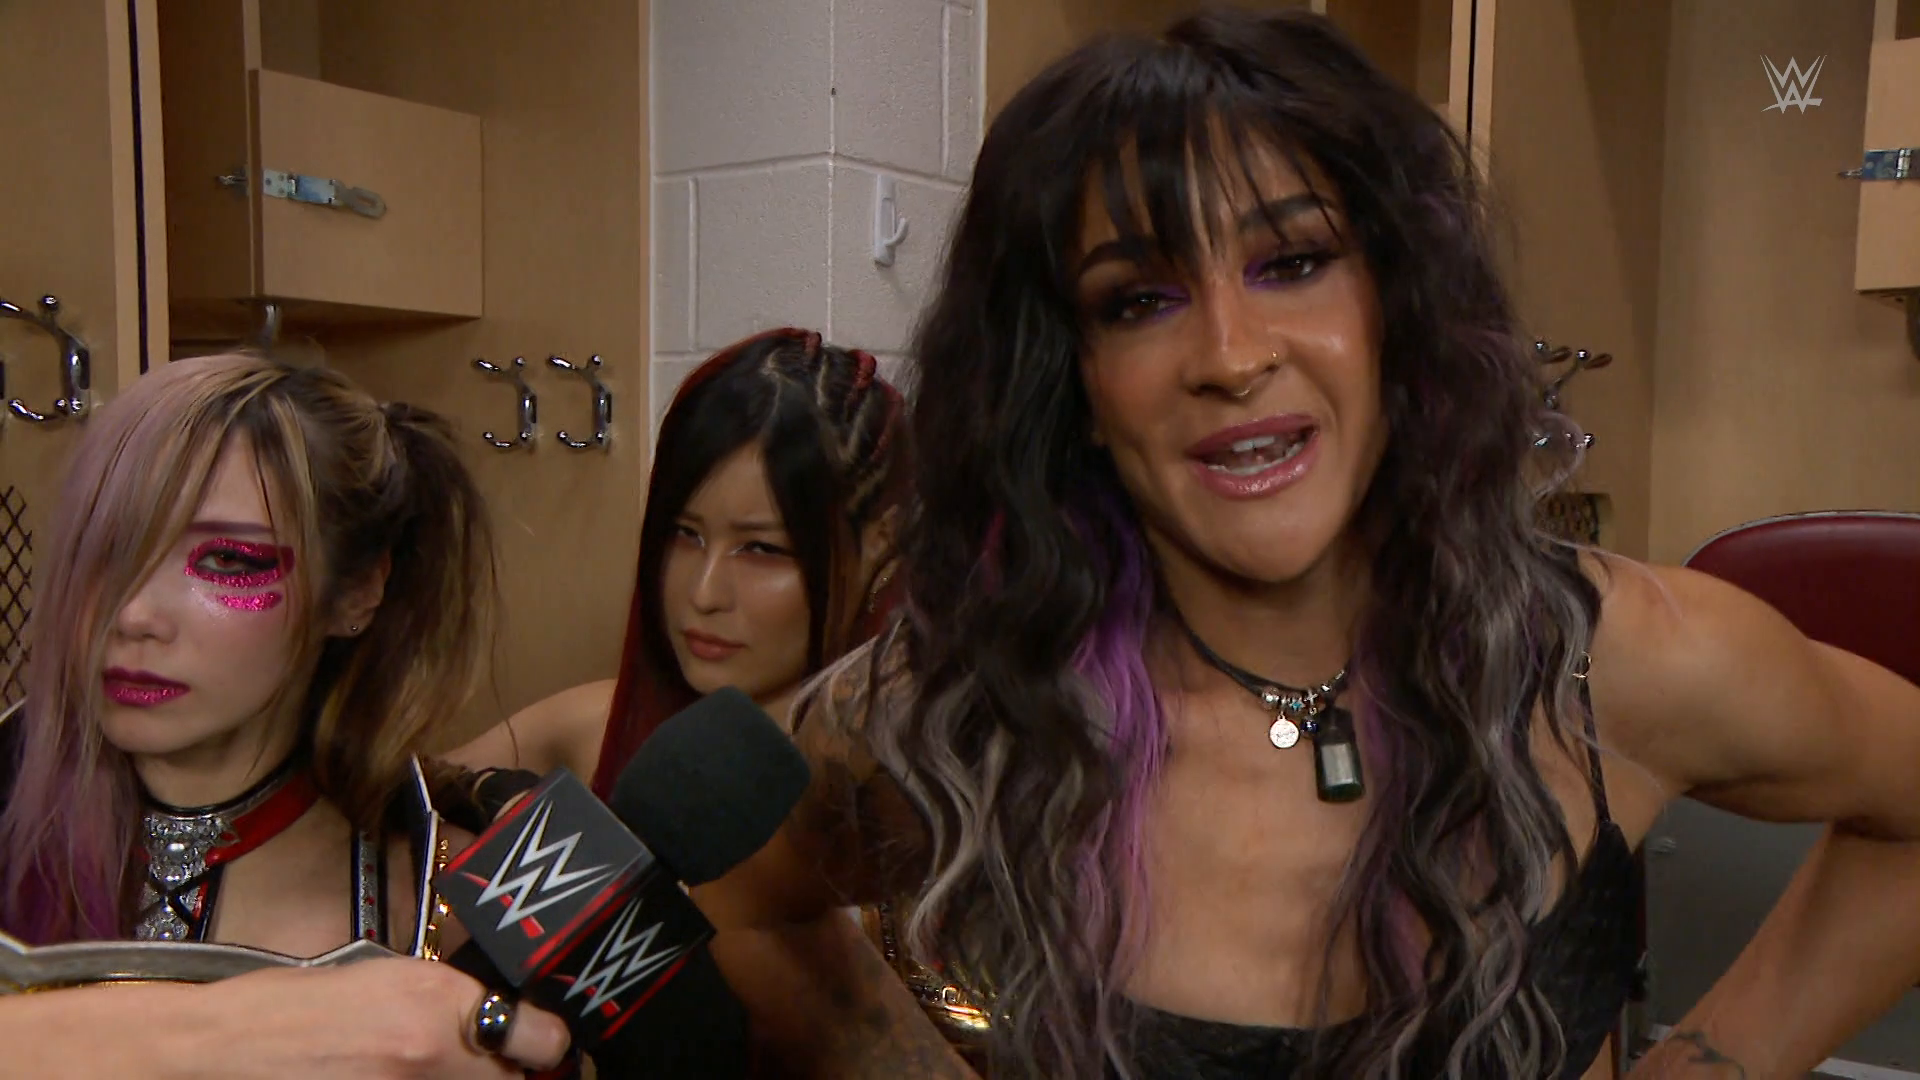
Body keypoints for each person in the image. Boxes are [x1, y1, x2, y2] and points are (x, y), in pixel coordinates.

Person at [702, 10, 1920, 1080]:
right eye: (1140, 299)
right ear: (1072, 381)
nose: (1232, 356)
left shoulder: (1613, 664)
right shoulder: (952, 713)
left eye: (1292, 262)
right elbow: (739, 902)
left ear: (1396, 304)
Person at [0, 352, 567, 1076]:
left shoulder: (452, 901)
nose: (133, 615)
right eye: (106, 552)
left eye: (227, 561)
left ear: (356, 592)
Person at [448, 327, 978, 1074]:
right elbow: (377, 804)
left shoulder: (916, 785)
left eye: (762, 549)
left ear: (882, 548)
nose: (702, 593)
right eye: (685, 535)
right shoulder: (589, 726)